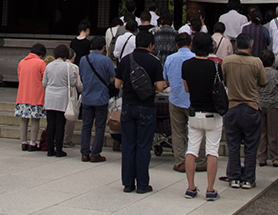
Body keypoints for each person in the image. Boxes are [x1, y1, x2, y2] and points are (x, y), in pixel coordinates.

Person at [114, 29, 166, 193]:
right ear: (151, 45)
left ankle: (128, 183)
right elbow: (160, 86)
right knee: (143, 146)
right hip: (146, 106)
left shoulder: (125, 60)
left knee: (128, 145)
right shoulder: (154, 61)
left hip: (128, 106)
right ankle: (142, 184)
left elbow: (117, 84)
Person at [181, 32, 224, 200]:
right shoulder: (215, 67)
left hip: (194, 111)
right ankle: (210, 189)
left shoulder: (186, 65)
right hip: (212, 112)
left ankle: (191, 187)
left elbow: (186, 88)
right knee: (212, 151)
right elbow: (220, 88)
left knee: (192, 150)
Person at [222, 33, 267, 189]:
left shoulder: (227, 61)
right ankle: (248, 178)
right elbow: (263, 82)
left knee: (233, 145)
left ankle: (234, 176)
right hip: (251, 106)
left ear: (236, 46)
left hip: (233, 105)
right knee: (251, 145)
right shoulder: (256, 62)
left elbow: (224, 81)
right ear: (251, 46)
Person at [163, 33, 206, 173]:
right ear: (190, 44)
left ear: (176, 45)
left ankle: (180, 161)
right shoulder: (195, 58)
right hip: (194, 99)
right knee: (199, 131)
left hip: (175, 98)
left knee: (177, 132)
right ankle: (200, 161)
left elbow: (166, 80)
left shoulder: (170, 59)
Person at [79, 36, 116, 162]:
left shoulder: (83, 59)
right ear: (103, 47)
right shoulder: (106, 61)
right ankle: (95, 153)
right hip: (101, 97)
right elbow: (112, 79)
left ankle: (84, 152)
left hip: (87, 96)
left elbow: (82, 76)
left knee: (86, 125)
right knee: (99, 126)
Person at [42, 44, 82, 158]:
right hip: (61, 97)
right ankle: (59, 149)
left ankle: (50, 149)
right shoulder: (68, 67)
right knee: (60, 124)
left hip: (50, 97)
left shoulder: (49, 66)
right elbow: (73, 82)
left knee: (50, 124)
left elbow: (44, 82)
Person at [15, 43, 47, 151]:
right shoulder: (41, 63)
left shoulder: (22, 62)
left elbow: (19, 76)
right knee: (35, 120)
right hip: (36, 96)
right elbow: (44, 79)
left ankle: (23, 142)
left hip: (22, 95)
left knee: (24, 120)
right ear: (41, 54)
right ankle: (33, 143)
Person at [256, 50, 278, 167]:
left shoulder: (257, 72)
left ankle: (261, 157)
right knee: (272, 132)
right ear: (273, 61)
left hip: (260, 104)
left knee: (261, 132)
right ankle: (275, 157)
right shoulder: (276, 74)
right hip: (273, 105)